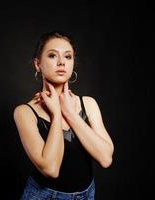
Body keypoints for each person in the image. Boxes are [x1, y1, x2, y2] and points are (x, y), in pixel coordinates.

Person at [13, 30, 114, 200]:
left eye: (68, 57)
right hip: (44, 196)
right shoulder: (24, 112)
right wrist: (57, 113)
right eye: (52, 56)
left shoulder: (88, 104)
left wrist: (70, 113)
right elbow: (51, 169)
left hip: (87, 195)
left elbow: (105, 158)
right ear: (38, 64)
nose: (61, 62)